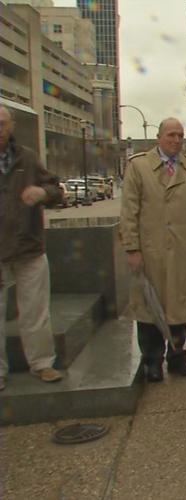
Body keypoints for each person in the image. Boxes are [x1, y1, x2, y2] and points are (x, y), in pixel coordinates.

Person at [119, 117, 186, 382]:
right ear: (159, 137)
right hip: (151, 251)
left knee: (181, 306)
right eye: (171, 135)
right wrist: (132, 248)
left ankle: (177, 357)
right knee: (149, 306)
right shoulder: (139, 166)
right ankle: (152, 360)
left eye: (180, 135)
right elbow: (129, 211)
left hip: (183, 250)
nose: (176, 140)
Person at [0, 105, 65, 390]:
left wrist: (42, 193)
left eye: (3, 123)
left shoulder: (27, 157)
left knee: (35, 311)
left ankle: (42, 364)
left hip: (29, 246)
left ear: (11, 126)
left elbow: (56, 191)